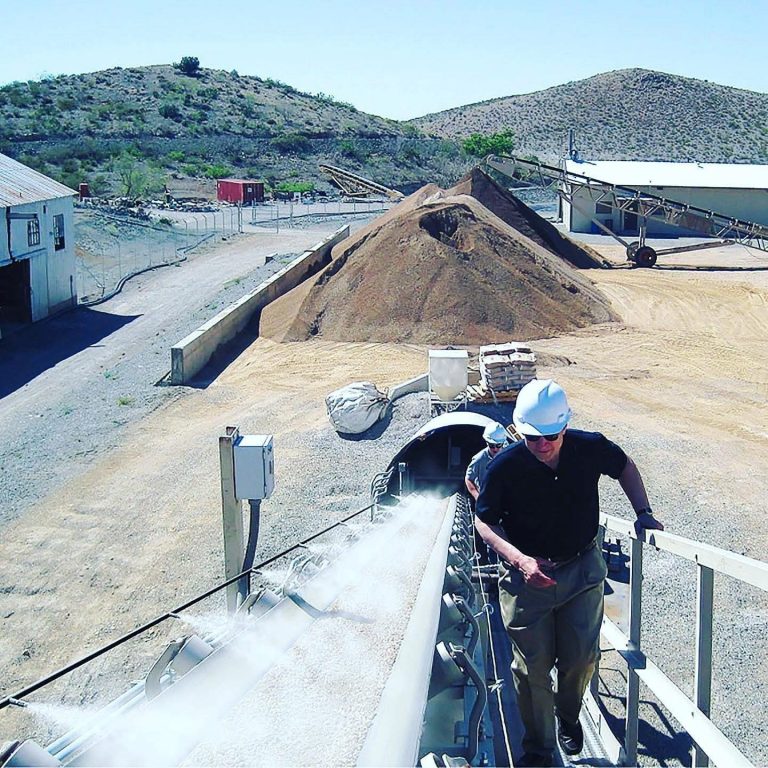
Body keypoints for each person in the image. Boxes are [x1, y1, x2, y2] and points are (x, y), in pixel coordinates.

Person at [474, 379, 663, 767]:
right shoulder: (504, 466)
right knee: (531, 669)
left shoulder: (589, 448)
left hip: (581, 571)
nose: (542, 445)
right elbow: (484, 520)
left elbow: (624, 466)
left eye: (550, 436)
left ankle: (569, 716)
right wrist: (520, 560)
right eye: (532, 438)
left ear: (565, 426)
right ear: (518, 431)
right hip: (527, 580)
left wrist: (643, 512)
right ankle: (540, 749)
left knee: (580, 658)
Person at [464, 421, 510, 501]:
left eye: (498, 445)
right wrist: (477, 497)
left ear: (503, 443)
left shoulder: (509, 455)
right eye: (492, 445)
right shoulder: (479, 459)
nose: (495, 449)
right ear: (487, 443)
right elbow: (468, 479)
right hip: (486, 499)